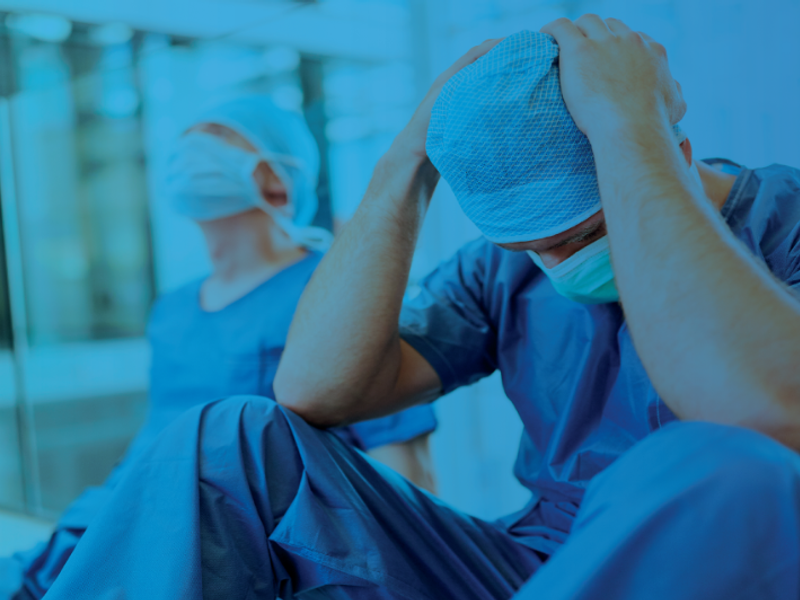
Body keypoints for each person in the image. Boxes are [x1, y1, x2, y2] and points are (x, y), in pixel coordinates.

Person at [42, 17, 800, 600]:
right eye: (537, 246)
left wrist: (630, 129)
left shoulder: (785, 219)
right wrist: (406, 164)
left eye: (585, 235)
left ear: (678, 145)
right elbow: (313, 390)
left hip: (695, 565)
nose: (560, 266)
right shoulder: (503, 274)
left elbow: (768, 416)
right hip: (532, 568)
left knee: (721, 462)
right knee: (230, 436)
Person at [1, 96, 437, 600]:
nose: (194, 150)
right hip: (109, 524)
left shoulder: (333, 295)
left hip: (217, 555)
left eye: (223, 137)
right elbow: (153, 444)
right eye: (191, 137)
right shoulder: (173, 309)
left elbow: (403, 469)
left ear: (280, 179)